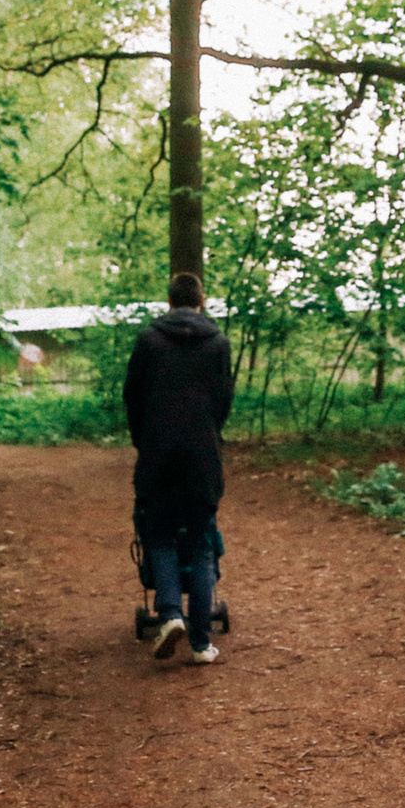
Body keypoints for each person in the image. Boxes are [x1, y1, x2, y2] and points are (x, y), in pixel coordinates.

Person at [125, 272, 232, 665]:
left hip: (158, 456)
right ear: (201, 299)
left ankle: (170, 614)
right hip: (203, 458)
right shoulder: (218, 344)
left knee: (161, 538)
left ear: (168, 300)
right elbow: (224, 399)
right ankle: (202, 643)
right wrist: (209, 437)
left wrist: (145, 441)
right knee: (201, 544)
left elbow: (132, 398)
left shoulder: (148, 341)